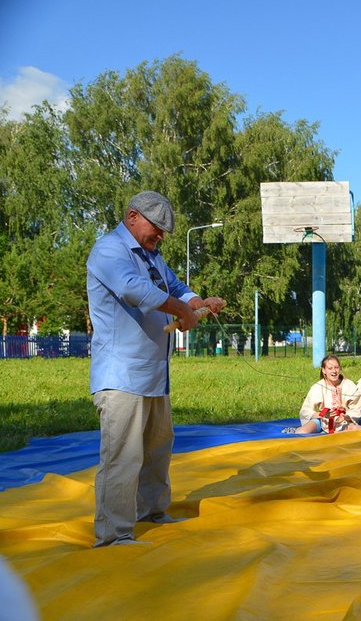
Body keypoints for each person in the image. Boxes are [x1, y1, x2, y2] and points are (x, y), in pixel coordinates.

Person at [86, 191, 225, 547]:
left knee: (157, 450)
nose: (161, 236)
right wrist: (182, 311)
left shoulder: (151, 257)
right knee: (123, 457)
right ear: (132, 216)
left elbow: (174, 285)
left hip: (153, 374)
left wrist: (196, 302)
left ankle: (152, 513)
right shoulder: (109, 251)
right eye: (157, 227)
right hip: (121, 377)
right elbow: (135, 291)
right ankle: (114, 534)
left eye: (164, 231)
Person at [287, 355, 361, 434]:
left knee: (359, 430)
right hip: (322, 421)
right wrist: (322, 415)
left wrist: (346, 417)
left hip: (344, 423)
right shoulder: (317, 387)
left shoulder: (349, 385)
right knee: (302, 432)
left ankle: (336, 435)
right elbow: (305, 411)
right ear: (324, 370)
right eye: (330, 368)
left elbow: (356, 408)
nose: (334, 371)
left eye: (336, 367)